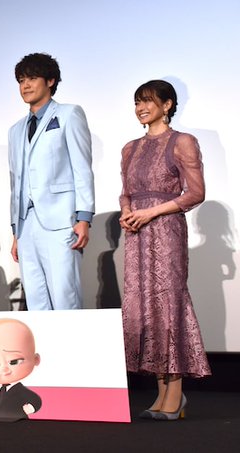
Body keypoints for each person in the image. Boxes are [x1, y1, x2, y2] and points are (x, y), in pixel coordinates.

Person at [119, 79, 211, 421]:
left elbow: (195, 193)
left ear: (167, 104)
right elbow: (125, 192)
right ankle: (162, 394)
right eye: (137, 102)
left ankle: (175, 393)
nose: (141, 108)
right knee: (144, 307)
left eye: (147, 101)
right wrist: (127, 211)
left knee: (168, 304)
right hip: (136, 234)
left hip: (166, 230)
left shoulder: (182, 141)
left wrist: (152, 212)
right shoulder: (130, 148)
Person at [8, 52, 95, 310]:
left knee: (65, 296)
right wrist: (16, 230)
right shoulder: (15, 130)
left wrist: (84, 217)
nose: (25, 85)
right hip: (26, 224)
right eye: (21, 80)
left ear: (50, 81)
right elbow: (15, 182)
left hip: (60, 219)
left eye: (32, 78)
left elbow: (82, 168)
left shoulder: (69, 114)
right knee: (36, 301)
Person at [0, 318, 42, 421]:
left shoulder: (20, 390)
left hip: (18, 424)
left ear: (35, 359)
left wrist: (24, 410)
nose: (5, 369)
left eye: (14, 361)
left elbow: (35, 401)